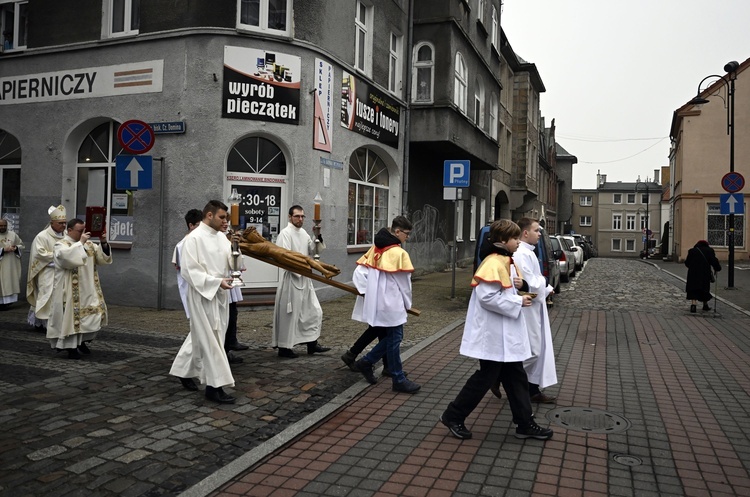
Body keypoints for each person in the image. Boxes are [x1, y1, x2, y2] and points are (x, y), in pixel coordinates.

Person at [440, 219, 553, 441]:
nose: (518, 242)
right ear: (503, 241)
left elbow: (502, 292)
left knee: (516, 377)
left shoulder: (504, 260)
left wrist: (519, 292)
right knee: (485, 378)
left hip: (504, 335)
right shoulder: (493, 262)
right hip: (494, 335)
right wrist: (518, 302)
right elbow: (487, 297)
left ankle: (525, 423)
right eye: (514, 238)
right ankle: (453, 416)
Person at [169, 200, 236, 404]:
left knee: (204, 338)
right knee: (212, 341)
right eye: (222, 217)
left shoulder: (223, 238)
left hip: (220, 294)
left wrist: (236, 250)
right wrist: (215, 282)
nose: (225, 222)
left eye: (227, 218)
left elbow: (230, 263)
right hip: (203, 295)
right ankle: (214, 387)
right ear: (209, 215)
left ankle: (184, 370)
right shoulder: (194, 238)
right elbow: (190, 271)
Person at [352, 216, 421, 394]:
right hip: (392, 302)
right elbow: (404, 284)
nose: (407, 237)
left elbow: (359, 273)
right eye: (406, 234)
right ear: (397, 232)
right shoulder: (399, 253)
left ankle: (367, 363)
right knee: (395, 337)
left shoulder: (375, 248)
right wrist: (407, 303)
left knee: (393, 338)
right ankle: (396, 377)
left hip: (378, 301)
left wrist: (369, 293)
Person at [493, 217, 557, 404]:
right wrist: (543, 285)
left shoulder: (528, 252)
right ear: (525, 232)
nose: (539, 234)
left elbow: (533, 280)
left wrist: (544, 287)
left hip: (534, 307)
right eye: (537, 230)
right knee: (532, 350)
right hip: (526, 308)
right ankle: (497, 374)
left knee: (535, 349)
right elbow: (527, 282)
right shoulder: (521, 254)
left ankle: (531, 390)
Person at [47, 218, 112, 359]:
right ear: (69, 230)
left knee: (92, 316)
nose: (83, 233)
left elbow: (102, 259)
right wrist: (81, 243)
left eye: (84, 230)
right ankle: (70, 347)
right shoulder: (61, 245)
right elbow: (67, 260)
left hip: (88, 288)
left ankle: (82, 341)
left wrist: (103, 242)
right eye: (80, 231)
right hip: (70, 290)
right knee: (70, 319)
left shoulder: (89, 244)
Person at [272, 205, 330, 358]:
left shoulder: (303, 232)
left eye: (302, 216)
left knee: (314, 311)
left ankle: (312, 343)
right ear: (290, 217)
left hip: (305, 278)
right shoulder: (285, 233)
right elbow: (282, 255)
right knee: (290, 316)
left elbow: (313, 250)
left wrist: (317, 236)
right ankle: (285, 348)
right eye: (297, 216)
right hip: (291, 279)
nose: (300, 219)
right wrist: (302, 264)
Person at [27, 205, 67, 329]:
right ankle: (43, 324)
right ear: (52, 223)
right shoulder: (42, 236)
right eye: (60, 223)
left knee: (62, 298)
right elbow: (39, 255)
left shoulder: (67, 235)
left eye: (65, 223)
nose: (64, 226)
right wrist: (61, 257)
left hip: (63, 272)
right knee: (47, 297)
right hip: (47, 272)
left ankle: (58, 324)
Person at [685, 240, 721, 313]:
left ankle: (693, 305)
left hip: (693, 273)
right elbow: (714, 261)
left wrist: (692, 267)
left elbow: (687, 263)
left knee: (693, 288)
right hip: (704, 273)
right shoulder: (709, 251)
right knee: (704, 288)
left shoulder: (692, 251)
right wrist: (717, 268)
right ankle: (705, 305)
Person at [0, 219, 24, 307]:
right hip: (1, 263)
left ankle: (7, 303)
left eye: (4, 225)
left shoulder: (13, 235)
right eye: (0, 226)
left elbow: (21, 245)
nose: (2, 227)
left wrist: (16, 248)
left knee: (10, 281)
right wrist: (3, 250)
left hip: (10, 264)